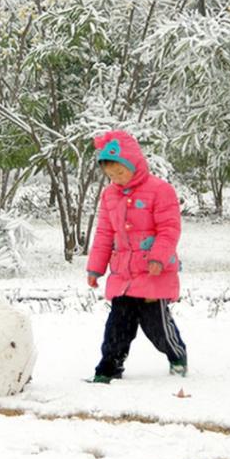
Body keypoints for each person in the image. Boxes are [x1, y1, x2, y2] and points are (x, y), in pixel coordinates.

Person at [86, 130, 188, 383]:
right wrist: (95, 268)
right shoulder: (109, 195)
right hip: (123, 274)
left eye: (120, 173)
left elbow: (169, 228)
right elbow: (104, 233)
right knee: (117, 325)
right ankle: (108, 368)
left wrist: (158, 257)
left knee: (157, 327)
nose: (116, 179)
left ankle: (176, 356)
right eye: (111, 175)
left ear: (134, 164)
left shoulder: (160, 190)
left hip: (153, 273)